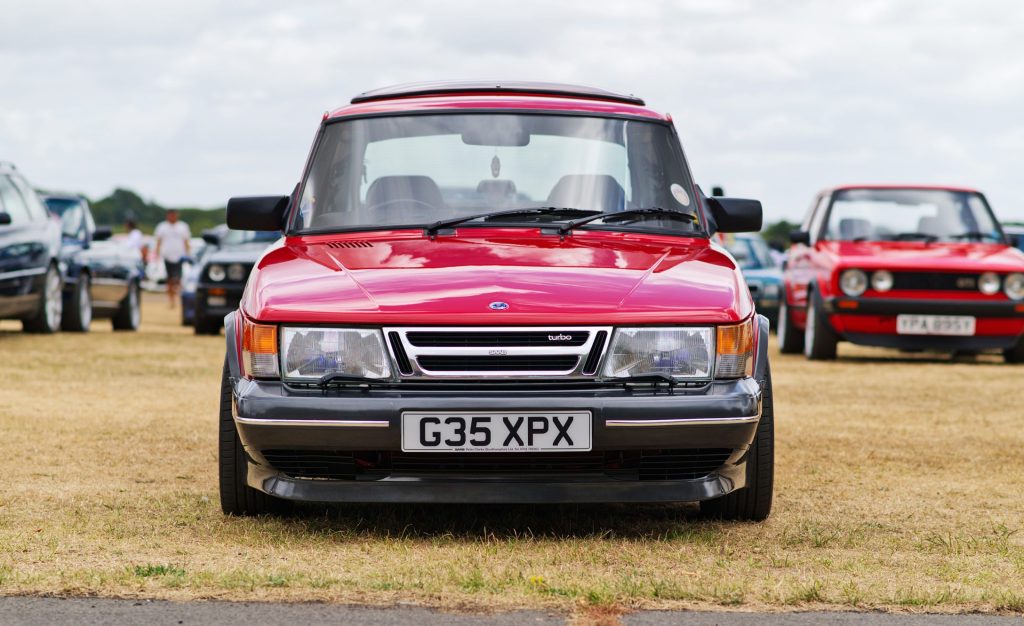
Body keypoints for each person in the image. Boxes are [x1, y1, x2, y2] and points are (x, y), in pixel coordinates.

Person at [154, 209, 191, 308]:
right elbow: (158, 242)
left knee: (178, 279)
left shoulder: (183, 227)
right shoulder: (162, 227)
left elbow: (186, 242)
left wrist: (188, 255)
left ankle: (179, 299)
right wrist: (156, 255)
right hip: (166, 256)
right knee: (169, 280)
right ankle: (171, 300)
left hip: (179, 257)